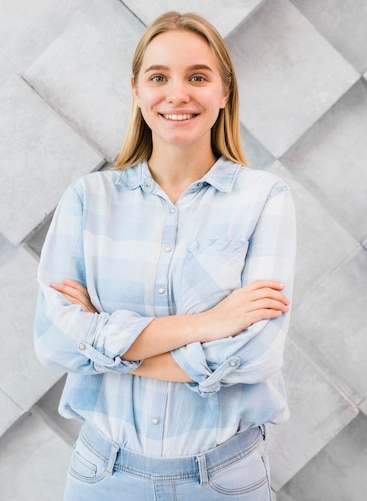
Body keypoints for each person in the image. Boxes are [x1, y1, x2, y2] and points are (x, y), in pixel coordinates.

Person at [33, 11, 296, 501]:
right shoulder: (88, 199)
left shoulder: (264, 198)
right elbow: (55, 343)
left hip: (224, 481)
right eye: (159, 77)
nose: (178, 93)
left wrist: (105, 342)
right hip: (103, 476)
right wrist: (210, 323)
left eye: (198, 77)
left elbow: (256, 354)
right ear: (136, 90)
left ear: (225, 92)